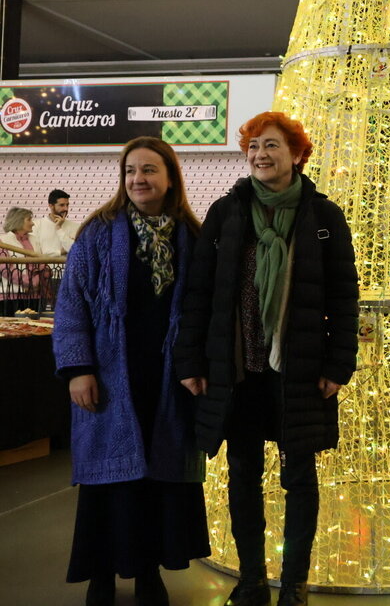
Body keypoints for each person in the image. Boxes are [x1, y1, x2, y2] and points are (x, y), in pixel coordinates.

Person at [175, 111, 359, 606]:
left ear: (298, 154)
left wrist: (338, 366)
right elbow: (199, 294)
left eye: (272, 145)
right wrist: (190, 362)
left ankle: (294, 583)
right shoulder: (226, 213)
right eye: (253, 145)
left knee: (299, 477)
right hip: (238, 373)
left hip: (298, 373)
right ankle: (252, 577)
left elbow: (344, 298)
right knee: (243, 476)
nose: (260, 154)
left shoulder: (323, 217)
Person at [51, 137, 209, 606]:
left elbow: (202, 308)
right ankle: (101, 573)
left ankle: (147, 573)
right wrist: (78, 368)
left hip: (165, 378)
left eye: (149, 170)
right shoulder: (98, 230)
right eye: (130, 171)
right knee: (108, 481)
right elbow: (72, 303)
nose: (138, 179)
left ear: (170, 177)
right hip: (109, 375)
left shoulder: (190, 235)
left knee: (158, 481)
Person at [0, 206, 48, 314]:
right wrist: (30, 282)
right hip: (11, 296)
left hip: (35, 296)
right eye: (29, 220)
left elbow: (43, 263)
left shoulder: (35, 240)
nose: (33, 223)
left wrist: (40, 278)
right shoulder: (3, 241)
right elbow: (5, 269)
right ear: (18, 221)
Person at [35, 188, 80, 255]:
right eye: (62, 205)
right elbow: (36, 254)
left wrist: (58, 228)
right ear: (51, 206)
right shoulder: (37, 225)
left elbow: (75, 250)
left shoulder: (76, 227)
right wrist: (60, 252)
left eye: (67, 205)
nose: (66, 208)